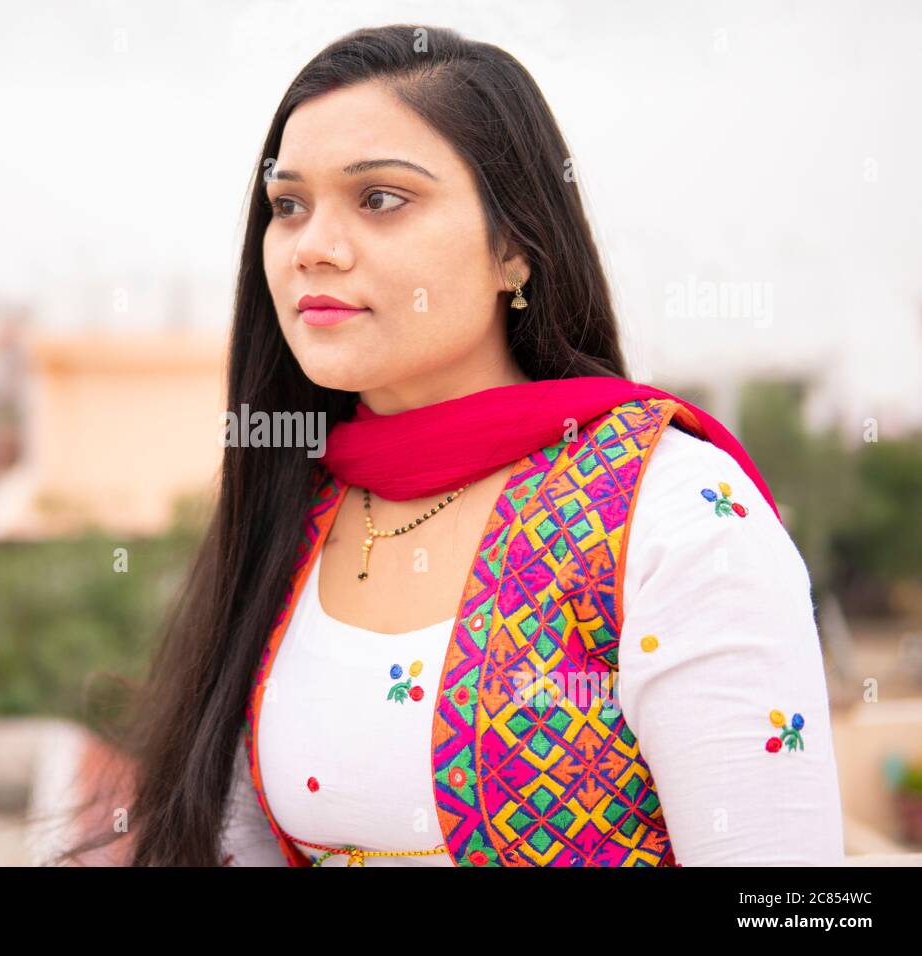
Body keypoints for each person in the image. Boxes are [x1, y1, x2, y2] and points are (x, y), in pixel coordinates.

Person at [52, 23, 844, 867]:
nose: (312, 247)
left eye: (380, 199)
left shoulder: (671, 515)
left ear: (514, 248)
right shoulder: (295, 507)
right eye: (288, 205)